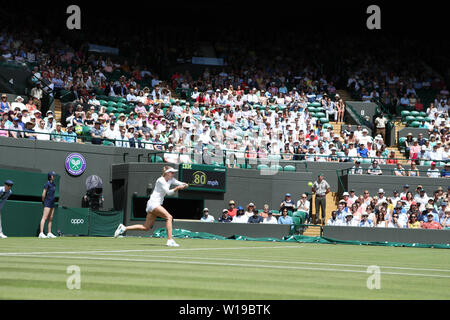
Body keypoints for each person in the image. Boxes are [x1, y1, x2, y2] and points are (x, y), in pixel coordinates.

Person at [114, 166, 188, 246]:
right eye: (172, 172)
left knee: (146, 227)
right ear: (167, 173)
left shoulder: (171, 179)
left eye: (174, 172)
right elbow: (169, 192)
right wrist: (177, 188)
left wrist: (185, 185)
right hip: (154, 203)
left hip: (153, 205)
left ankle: (124, 228)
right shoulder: (160, 180)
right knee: (169, 217)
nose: (173, 174)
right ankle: (170, 240)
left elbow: (180, 183)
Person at [39, 172, 58, 238]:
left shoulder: (54, 184)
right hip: (47, 201)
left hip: (52, 202)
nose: (54, 177)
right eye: (53, 176)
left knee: (51, 218)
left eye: (54, 176)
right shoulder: (47, 184)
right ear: (50, 176)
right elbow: (43, 194)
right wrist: (43, 201)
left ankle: (49, 233)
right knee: (44, 217)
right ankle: (41, 233)